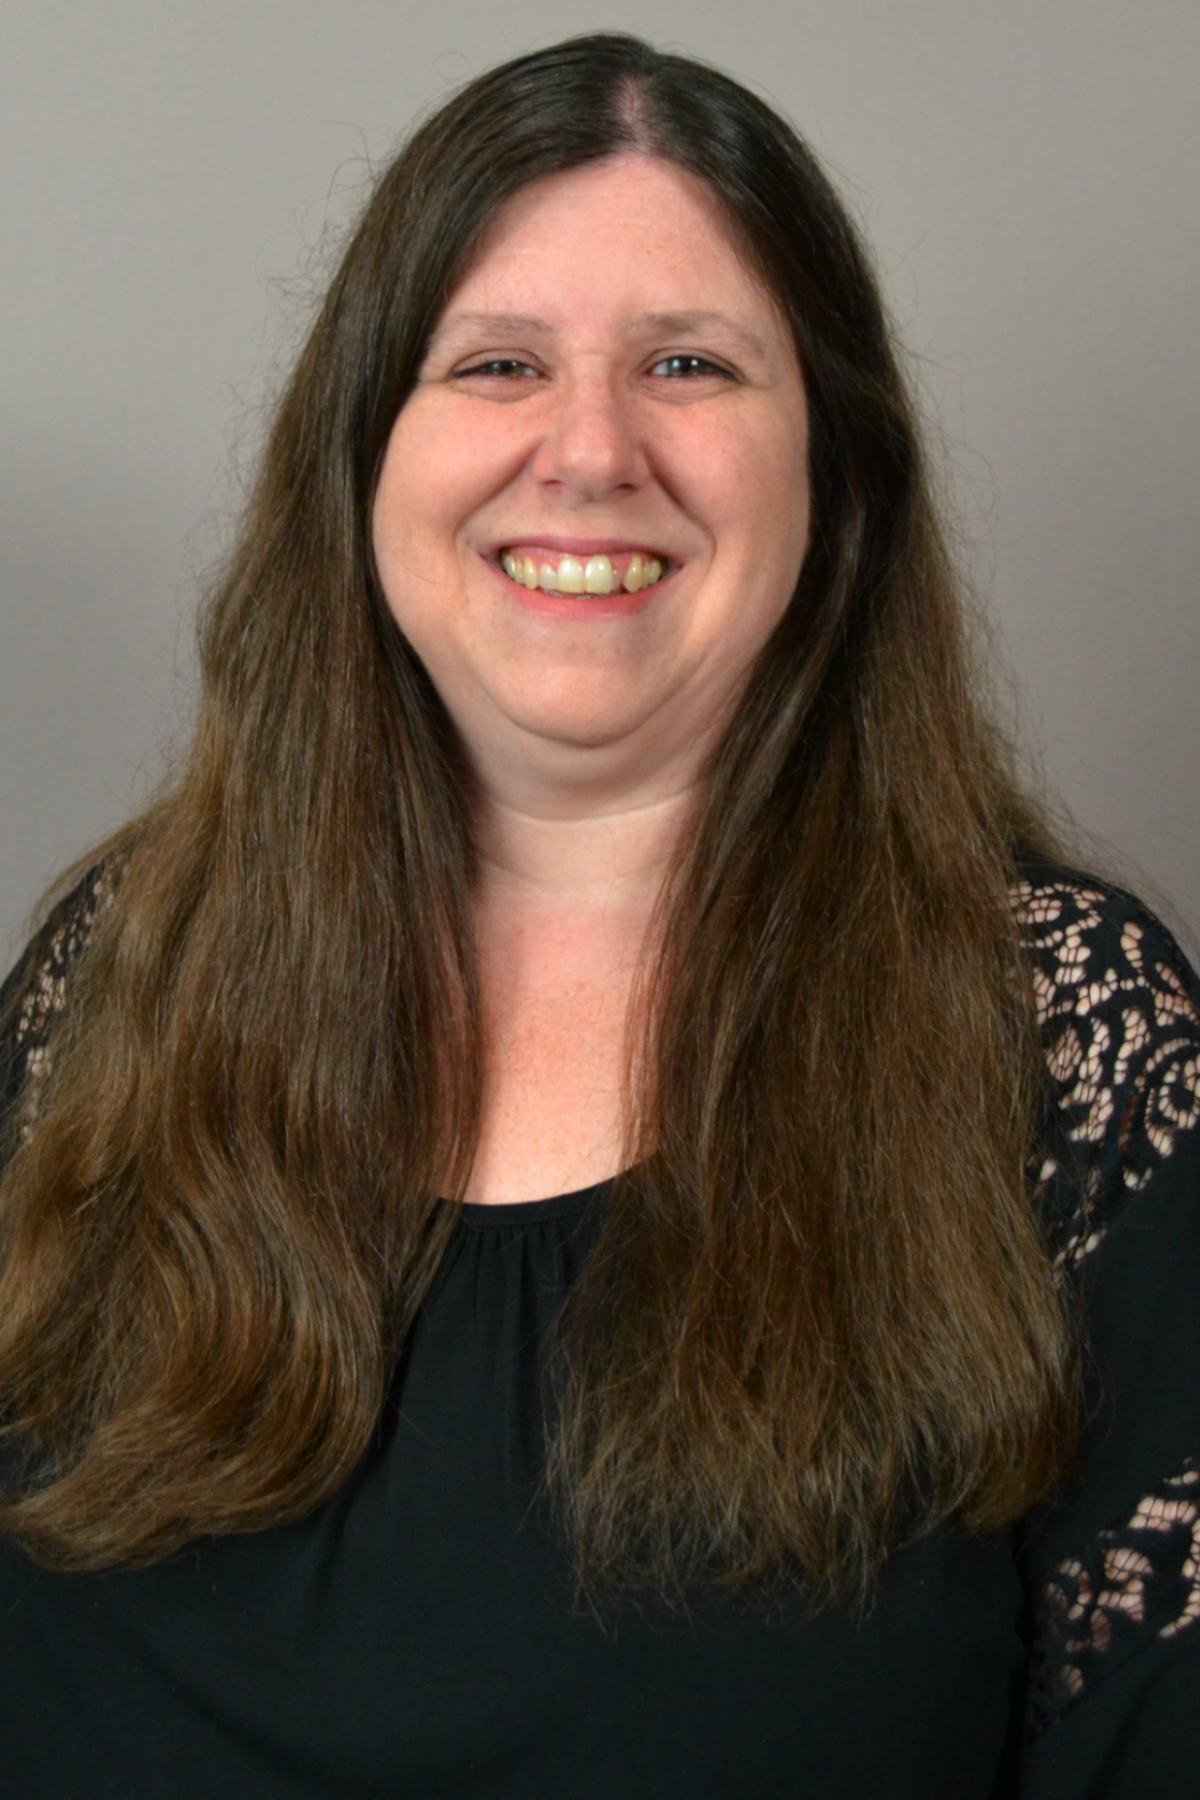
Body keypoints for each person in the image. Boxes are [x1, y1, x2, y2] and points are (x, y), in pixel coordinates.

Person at [0, 31, 1197, 1799]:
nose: (588, 451)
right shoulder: (115, 971)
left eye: (691, 364)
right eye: (495, 362)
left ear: (838, 477)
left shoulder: (1073, 1051)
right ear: (363, 451)